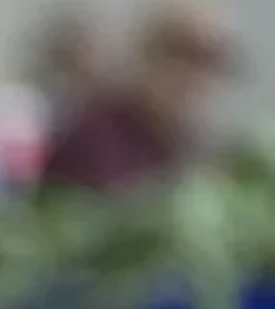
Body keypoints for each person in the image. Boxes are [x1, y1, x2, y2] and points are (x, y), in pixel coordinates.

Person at [40, 4, 234, 193]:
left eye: (210, 61)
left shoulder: (208, 157)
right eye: (183, 54)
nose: (197, 75)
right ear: (148, 53)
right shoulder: (91, 144)